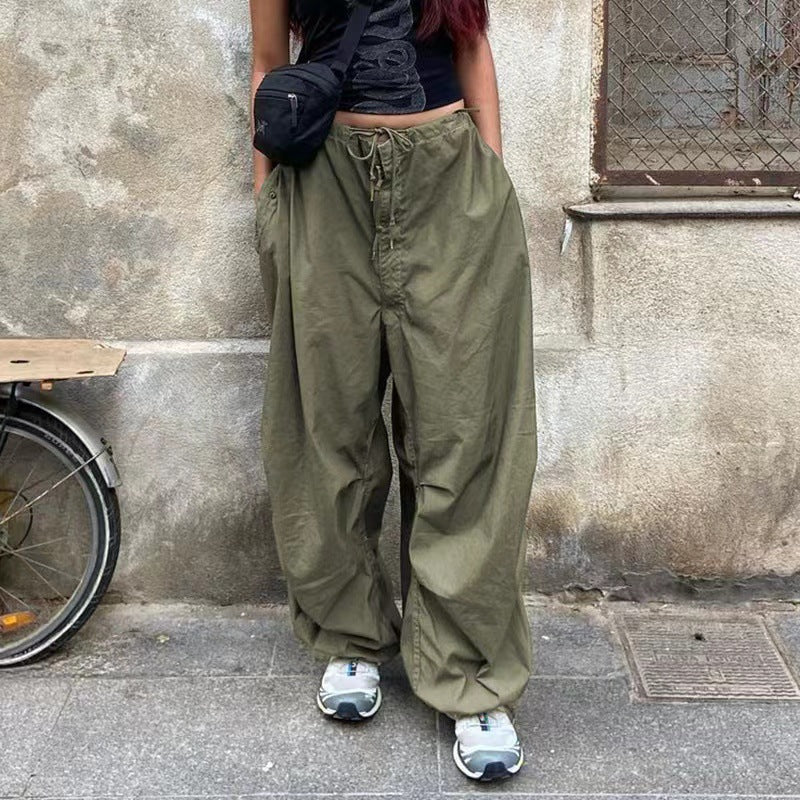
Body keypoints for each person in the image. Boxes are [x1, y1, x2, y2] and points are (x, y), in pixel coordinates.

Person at [249, 0, 538, 782]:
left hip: (449, 182)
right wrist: (267, 206)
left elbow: (473, 49)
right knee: (327, 428)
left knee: (464, 432)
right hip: (323, 183)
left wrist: (491, 179)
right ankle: (350, 638)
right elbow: (268, 63)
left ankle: (469, 671)